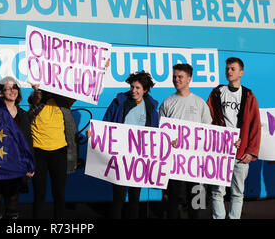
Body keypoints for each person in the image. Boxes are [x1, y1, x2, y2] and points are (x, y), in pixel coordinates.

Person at [87, 71, 159, 219]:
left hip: (138, 158)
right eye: (132, 87)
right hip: (119, 157)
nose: (134, 90)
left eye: (138, 88)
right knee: (118, 196)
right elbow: (106, 124)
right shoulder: (119, 102)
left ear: (145, 90)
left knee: (134, 197)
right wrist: (94, 134)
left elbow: (155, 133)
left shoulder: (151, 107)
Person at [207, 57, 261, 219]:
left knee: (237, 193)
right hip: (220, 151)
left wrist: (251, 151)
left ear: (241, 72)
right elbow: (208, 118)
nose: (229, 72)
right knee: (217, 191)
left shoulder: (249, 95)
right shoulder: (217, 92)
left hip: (240, 153)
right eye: (227, 69)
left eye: (233, 69)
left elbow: (255, 125)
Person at [158, 63, 212, 219]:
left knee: (198, 203)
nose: (176, 80)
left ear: (189, 79)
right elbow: (160, 132)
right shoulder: (167, 103)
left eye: (180, 77)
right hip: (174, 163)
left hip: (197, 164)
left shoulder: (200, 103)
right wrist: (169, 140)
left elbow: (209, 131)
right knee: (175, 202)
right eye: (174, 76)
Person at [0, 76, 34, 219]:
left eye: (15, 87)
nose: (12, 91)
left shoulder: (23, 114)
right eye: (8, 88)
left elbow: (28, 140)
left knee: (12, 199)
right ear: (1, 92)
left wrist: (30, 164)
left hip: (17, 163)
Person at [27, 86, 78, 219]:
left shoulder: (64, 100)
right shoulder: (37, 98)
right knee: (39, 193)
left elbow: (82, 87)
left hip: (59, 152)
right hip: (38, 152)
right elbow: (33, 100)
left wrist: (103, 67)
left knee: (59, 193)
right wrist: (37, 89)